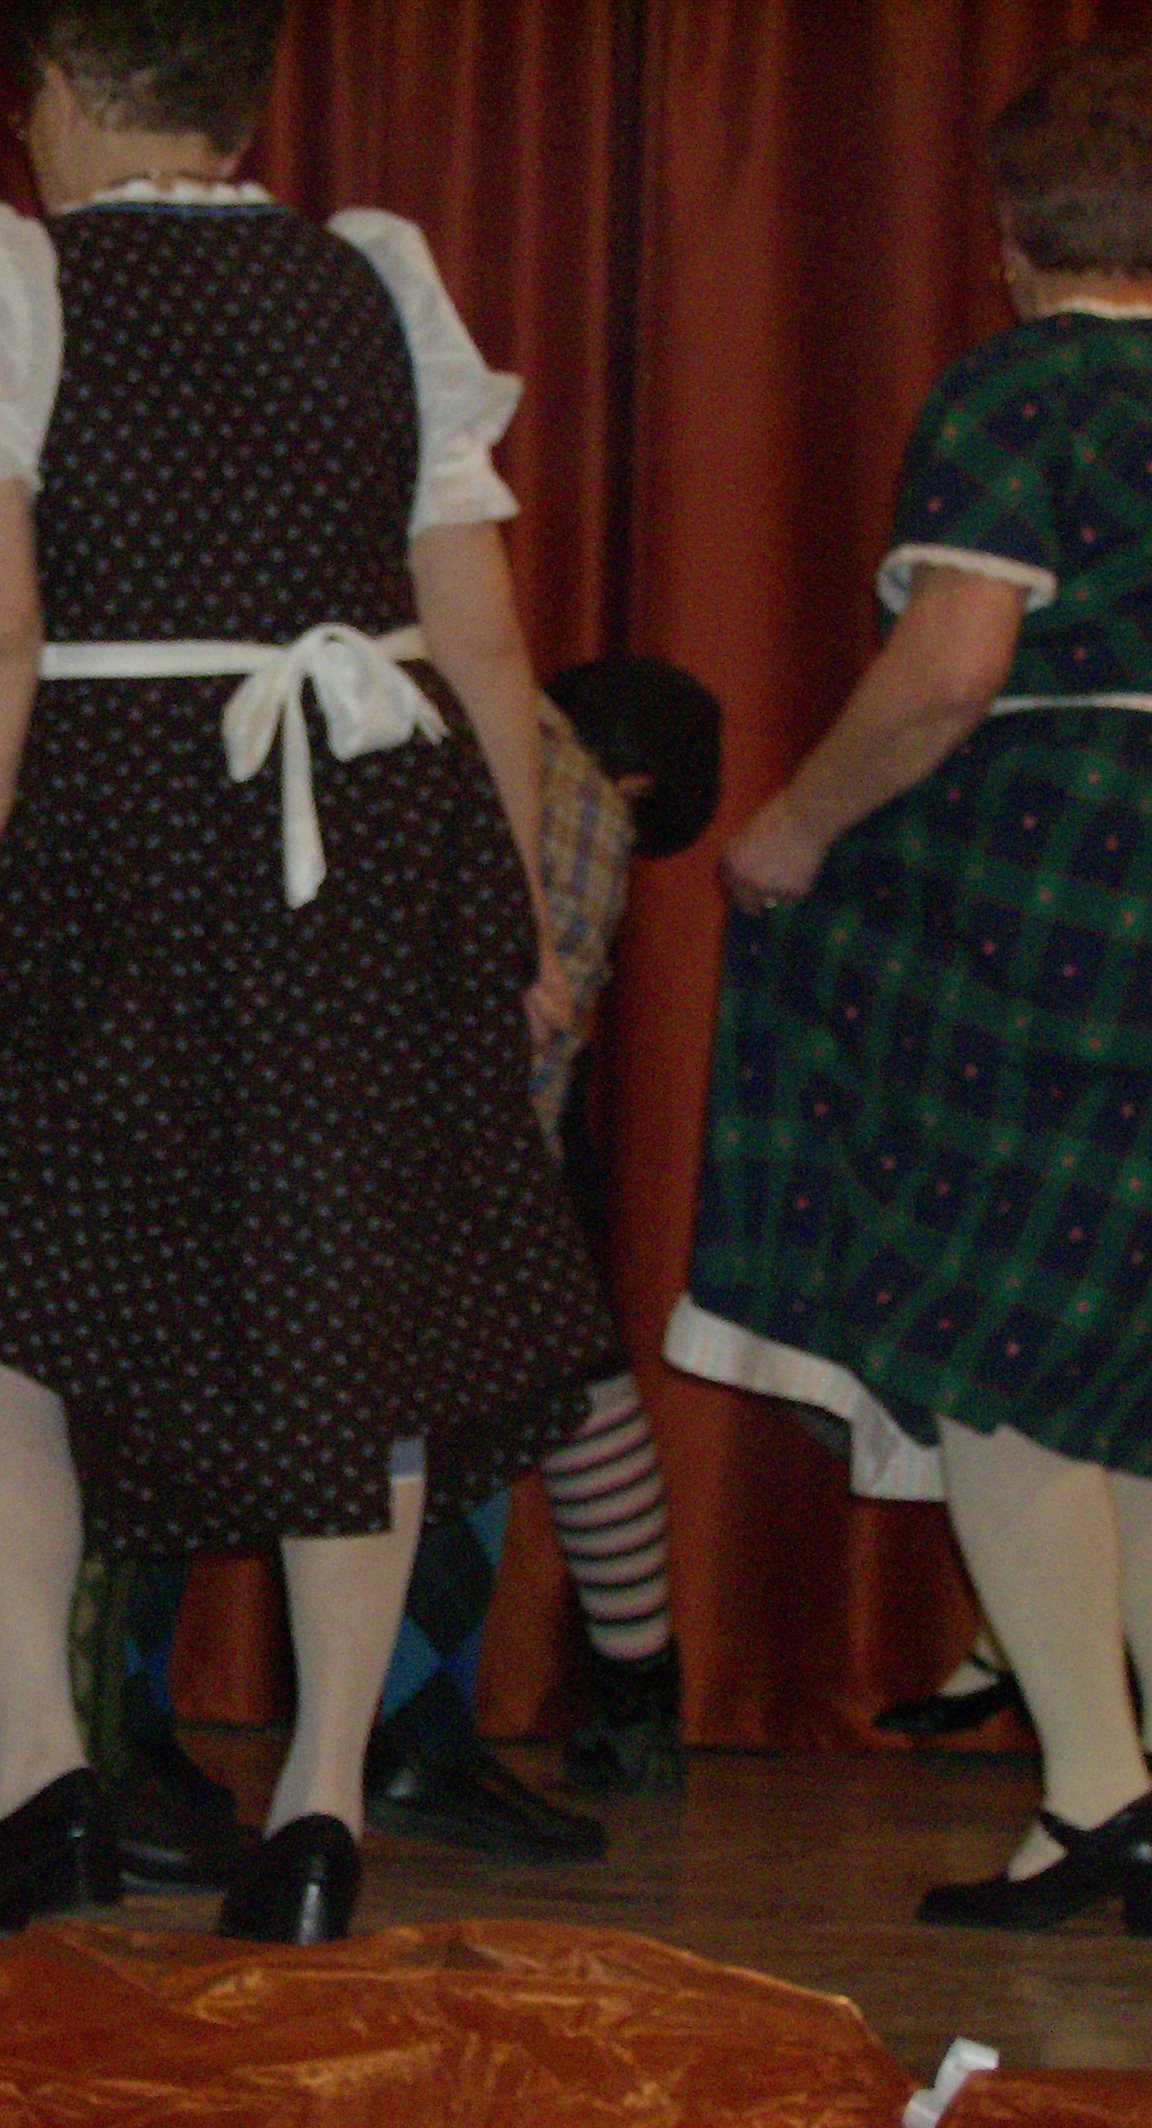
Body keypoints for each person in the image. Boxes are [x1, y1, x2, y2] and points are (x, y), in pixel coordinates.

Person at [0, 0, 614, 1944]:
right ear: (236, 100)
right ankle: (319, 1810)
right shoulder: (373, 277)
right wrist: (523, 917)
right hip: (368, 830)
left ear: (52, 87)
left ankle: (42, 1787)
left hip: (108, 827)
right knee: (347, 1293)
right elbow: (483, 632)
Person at [669, 38, 1152, 1932]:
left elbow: (953, 667)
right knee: (1129, 1348)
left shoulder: (1019, 388)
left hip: (1057, 895)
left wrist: (792, 825)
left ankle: (1096, 1794)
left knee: (988, 1337)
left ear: (1009, 230)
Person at [364, 653, 720, 1860]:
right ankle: (437, 1727)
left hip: (277, 1091)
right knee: (501, 1381)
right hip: (425, 1126)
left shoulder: (435, 702)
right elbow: (520, 1047)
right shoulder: (573, 798)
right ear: (643, 782)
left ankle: (79, 1722)